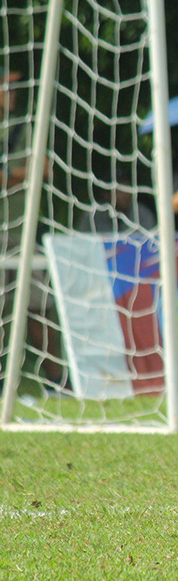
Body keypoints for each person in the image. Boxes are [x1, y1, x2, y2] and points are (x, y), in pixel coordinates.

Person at [0, 68, 69, 394]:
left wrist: (14, 174)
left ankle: (54, 381)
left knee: (40, 306)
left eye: (15, 87)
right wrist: (20, 173)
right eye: (7, 87)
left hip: (21, 233)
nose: (13, 93)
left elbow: (44, 169)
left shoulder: (21, 128)